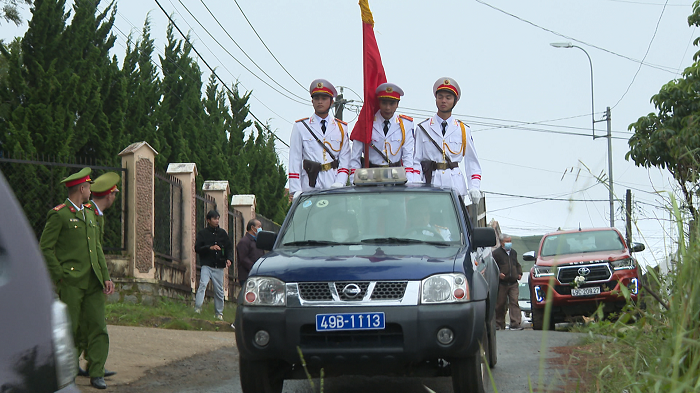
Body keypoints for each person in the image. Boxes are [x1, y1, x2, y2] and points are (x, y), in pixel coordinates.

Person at [39, 167, 115, 390]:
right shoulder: (60, 214)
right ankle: (68, 374)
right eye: (89, 187)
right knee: (72, 330)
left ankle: (97, 372)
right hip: (71, 282)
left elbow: (97, 248)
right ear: (81, 188)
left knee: (98, 326)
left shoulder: (89, 214)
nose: (92, 191)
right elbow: (45, 248)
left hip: (93, 282)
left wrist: (106, 275)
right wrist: (60, 275)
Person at [77, 172, 120, 378]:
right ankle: (92, 369)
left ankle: (93, 366)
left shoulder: (95, 214)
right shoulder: (88, 214)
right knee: (91, 325)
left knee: (86, 324)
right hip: (83, 278)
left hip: (91, 276)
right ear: (109, 195)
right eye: (115, 194)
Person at [413, 77, 482, 204]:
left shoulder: (463, 130)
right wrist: (417, 184)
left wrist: (474, 187)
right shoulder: (423, 128)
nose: (443, 101)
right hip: (430, 183)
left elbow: (472, 162)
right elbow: (416, 160)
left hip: (455, 185)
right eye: (440, 97)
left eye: (448, 98)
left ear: (455, 101)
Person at [288, 79, 351, 197]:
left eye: (324, 98)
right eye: (316, 98)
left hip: (333, 183)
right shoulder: (301, 127)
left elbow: (345, 158)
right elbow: (294, 159)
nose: (320, 102)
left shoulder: (341, 128)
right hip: (309, 184)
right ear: (312, 101)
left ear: (332, 102)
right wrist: (295, 190)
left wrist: (340, 182)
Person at [349, 82, 416, 181]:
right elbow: (356, 155)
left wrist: (409, 180)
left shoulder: (405, 124)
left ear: (397, 104)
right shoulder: (366, 123)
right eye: (384, 103)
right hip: (371, 176)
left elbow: (408, 155)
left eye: (392, 103)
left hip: (396, 177)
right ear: (379, 103)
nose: (387, 107)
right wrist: (353, 179)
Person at [194, 210, 233, 320]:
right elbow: (197, 248)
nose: (217, 221)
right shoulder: (203, 233)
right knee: (203, 284)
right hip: (206, 264)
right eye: (214, 219)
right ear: (208, 220)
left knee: (219, 290)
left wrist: (229, 259)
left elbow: (229, 247)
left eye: (218, 219)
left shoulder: (222, 233)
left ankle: (219, 313)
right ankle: (197, 308)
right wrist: (209, 248)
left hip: (219, 265)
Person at [493, 233, 523, 330]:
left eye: (510, 241)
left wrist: (519, 273)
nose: (509, 243)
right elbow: (493, 267)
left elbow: (517, 264)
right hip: (502, 284)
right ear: (502, 243)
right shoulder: (496, 253)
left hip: (513, 283)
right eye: (507, 241)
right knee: (500, 304)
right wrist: (499, 274)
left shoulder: (513, 252)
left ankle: (515, 324)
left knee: (514, 302)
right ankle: (499, 324)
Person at [236, 219, 264, 285]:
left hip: (257, 275)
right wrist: (254, 267)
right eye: (259, 226)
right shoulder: (244, 241)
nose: (260, 229)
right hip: (247, 276)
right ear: (252, 228)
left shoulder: (257, 241)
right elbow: (243, 258)